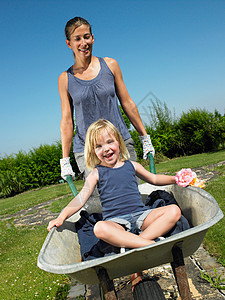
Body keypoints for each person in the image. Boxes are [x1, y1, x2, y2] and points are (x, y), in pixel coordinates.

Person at [48, 119, 184, 250]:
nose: (106, 149)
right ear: (93, 151)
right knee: (99, 228)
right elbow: (80, 199)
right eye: (99, 146)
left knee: (173, 211)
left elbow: (154, 179)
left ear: (118, 142)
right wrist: (61, 217)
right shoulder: (96, 174)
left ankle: (139, 243)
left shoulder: (132, 165)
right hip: (116, 223)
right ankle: (148, 244)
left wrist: (176, 178)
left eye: (109, 142)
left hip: (142, 216)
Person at [59, 16, 155, 181]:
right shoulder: (65, 79)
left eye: (87, 37)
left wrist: (144, 137)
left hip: (119, 143)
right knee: (105, 202)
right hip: (88, 150)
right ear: (69, 43)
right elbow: (67, 121)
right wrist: (65, 159)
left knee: (132, 195)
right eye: (77, 39)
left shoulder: (110, 65)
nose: (84, 43)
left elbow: (127, 103)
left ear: (93, 38)